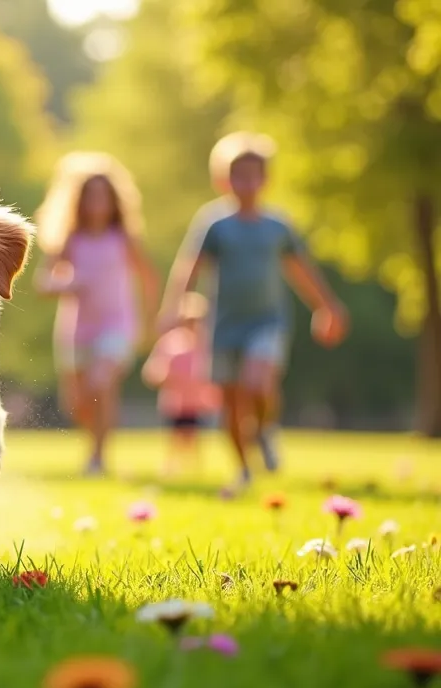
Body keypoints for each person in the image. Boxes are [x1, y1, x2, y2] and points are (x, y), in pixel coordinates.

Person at [157, 131, 349, 493]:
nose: (245, 182)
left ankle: (263, 429)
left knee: (258, 383)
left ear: (266, 179)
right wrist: (172, 308)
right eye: (237, 174)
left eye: (253, 174)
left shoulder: (277, 227)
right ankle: (244, 468)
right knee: (230, 402)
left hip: (267, 322)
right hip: (225, 325)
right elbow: (189, 267)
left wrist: (327, 307)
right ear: (222, 179)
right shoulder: (214, 224)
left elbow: (301, 269)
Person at [34, 152, 159, 476]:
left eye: (103, 195)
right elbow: (43, 283)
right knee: (77, 404)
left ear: (115, 199)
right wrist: (68, 284)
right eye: (90, 195)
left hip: (118, 325)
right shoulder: (70, 240)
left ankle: (99, 457)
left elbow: (148, 278)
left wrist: (149, 323)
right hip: (77, 330)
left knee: (101, 384)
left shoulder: (124, 239)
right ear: (77, 200)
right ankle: (94, 445)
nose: (97, 202)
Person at [142, 292, 220, 476]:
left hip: (198, 404)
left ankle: (195, 470)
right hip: (175, 404)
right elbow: (152, 371)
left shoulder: (208, 344)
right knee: (175, 438)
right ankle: (172, 467)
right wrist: (164, 376)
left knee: (194, 438)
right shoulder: (170, 343)